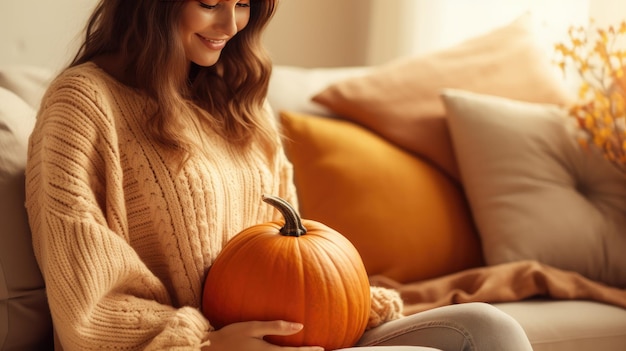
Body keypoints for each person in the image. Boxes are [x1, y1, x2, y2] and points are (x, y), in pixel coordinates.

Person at [24, 0, 534, 350]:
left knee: (487, 327)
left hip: (302, 331)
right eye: (209, 1)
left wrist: (347, 302)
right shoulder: (83, 103)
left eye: (243, 3)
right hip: (201, 346)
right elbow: (87, 300)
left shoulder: (237, 98)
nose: (230, 23)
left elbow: (288, 249)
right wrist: (207, 342)